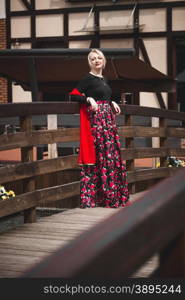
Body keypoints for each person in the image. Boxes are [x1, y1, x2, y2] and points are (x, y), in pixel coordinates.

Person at [70, 48, 129, 208]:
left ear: (103, 61)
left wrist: (112, 102)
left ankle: (112, 195)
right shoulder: (87, 79)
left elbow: (104, 96)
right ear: (90, 62)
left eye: (99, 58)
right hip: (97, 122)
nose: (96, 61)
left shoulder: (104, 79)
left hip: (108, 121)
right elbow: (73, 94)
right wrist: (88, 98)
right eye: (93, 59)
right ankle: (96, 198)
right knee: (101, 154)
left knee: (110, 154)